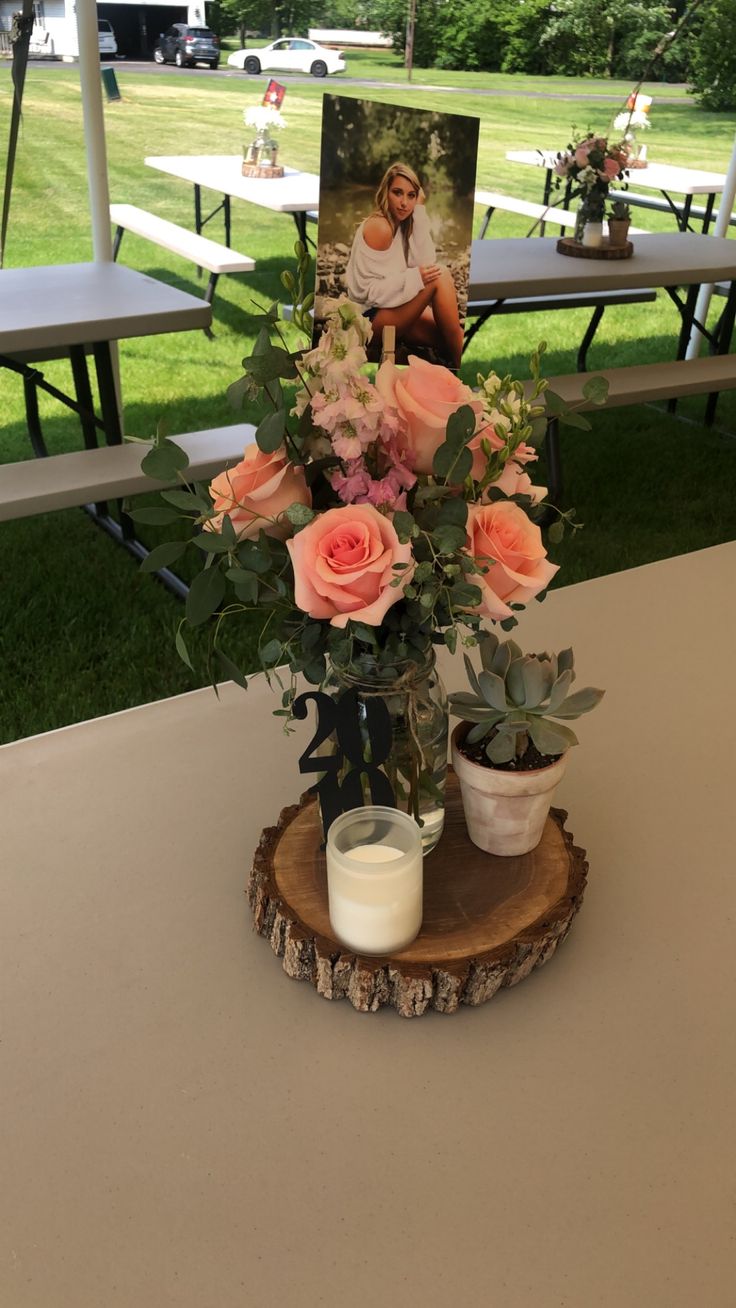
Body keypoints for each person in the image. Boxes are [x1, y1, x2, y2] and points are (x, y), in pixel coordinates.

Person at [345, 161, 464, 369]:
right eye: (397, 193)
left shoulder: (400, 225)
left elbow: (426, 262)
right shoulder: (380, 227)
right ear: (385, 192)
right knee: (441, 276)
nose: (404, 203)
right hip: (368, 320)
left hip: (391, 307)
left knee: (449, 337)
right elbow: (371, 293)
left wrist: (419, 212)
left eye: (411, 196)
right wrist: (416, 278)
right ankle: (459, 371)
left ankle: (456, 367)